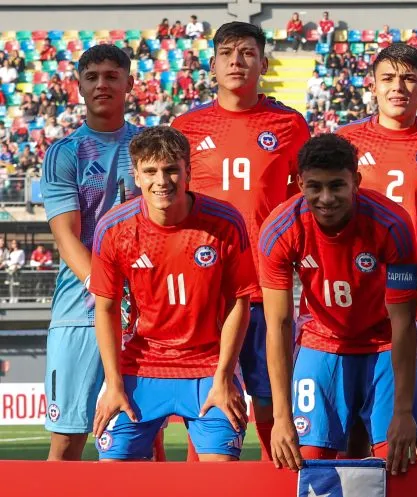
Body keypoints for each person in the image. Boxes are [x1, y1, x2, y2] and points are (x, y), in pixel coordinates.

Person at [172, 22, 310, 460]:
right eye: (227, 53)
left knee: (271, 397)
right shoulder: (187, 126)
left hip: (268, 281)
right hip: (208, 286)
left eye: (247, 52)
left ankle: (279, 492)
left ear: (264, 64)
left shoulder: (289, 123)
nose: (237, 60)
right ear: (212, 66)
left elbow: (302, 203)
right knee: (211, 398)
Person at [88, 126, 255, 461]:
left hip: (208, 366)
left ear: (188, 171)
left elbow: (240, 301)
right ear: (136, 175)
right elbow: (105, 309)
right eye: (150, 171)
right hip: (141, 364)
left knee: (219, 478)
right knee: (113, 475)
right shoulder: (114, 228)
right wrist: (113, 383)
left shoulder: (225, 222)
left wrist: (223, 377)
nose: (161, 181)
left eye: (171, 170)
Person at [259, 134, 417, 475]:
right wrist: (281, 417)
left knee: (393, 458)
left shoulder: (392, 225)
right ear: (299, 183)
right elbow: (279, 324)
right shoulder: (279, 230)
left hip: (383, 344)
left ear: (356, 181)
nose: (326, 198)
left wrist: (404, 412)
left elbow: (404, 321)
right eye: (314, 187)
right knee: (308, 460)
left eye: (337, 185)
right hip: (321, 342)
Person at [336, 43, 417, 458]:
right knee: (356, 430)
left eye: (410, 79)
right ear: (371, 86)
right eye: (389, 78)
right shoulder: (346, 141)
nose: (399, 87)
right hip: (361, 304)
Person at [41, 45, 142, 461]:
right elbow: (66, 238)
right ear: (79, 86)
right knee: (68, 438)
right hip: (80, 312)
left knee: (139, 437)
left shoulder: (148, 147)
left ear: (129, 84)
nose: (102, 84)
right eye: (93, 76)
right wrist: (106, 291)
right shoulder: (64, 153)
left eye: (112, 75)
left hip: (143, 312)